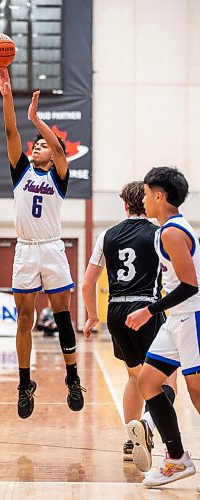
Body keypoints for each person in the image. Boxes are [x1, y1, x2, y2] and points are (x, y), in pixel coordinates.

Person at [0, 67, 85, 419]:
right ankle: (23, 383)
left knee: (62, 315)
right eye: (36, 144)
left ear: (53, 153)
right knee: (23, 318)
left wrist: (36, 117)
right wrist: (7, 95)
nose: (37, 146)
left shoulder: (60, 175)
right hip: (25, 249)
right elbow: (10, 131)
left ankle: (73, 377)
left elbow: (61, 151)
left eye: (43, 144)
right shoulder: (21, 171)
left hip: (51, 247)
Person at [82, 181, 176, 469]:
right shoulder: (159, 233)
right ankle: (148, 422)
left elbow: (87, 283)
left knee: (135, 377)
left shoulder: (107, 235)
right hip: (146, 308)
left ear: (125, 205)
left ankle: (130, 438)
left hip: (116, 310)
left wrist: (91, 316)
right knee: (168, 376)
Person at [125, 167, 200, 488]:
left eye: (145, 192)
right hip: (176, 320)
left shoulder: (172, 232)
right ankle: (177, 458)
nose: (142, 198)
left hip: (191, 317)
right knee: (148, 381)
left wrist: (149, 310)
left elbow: (190, 285)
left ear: (159, 196)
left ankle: (177, 459)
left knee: (198, 394)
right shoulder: (168, 229)